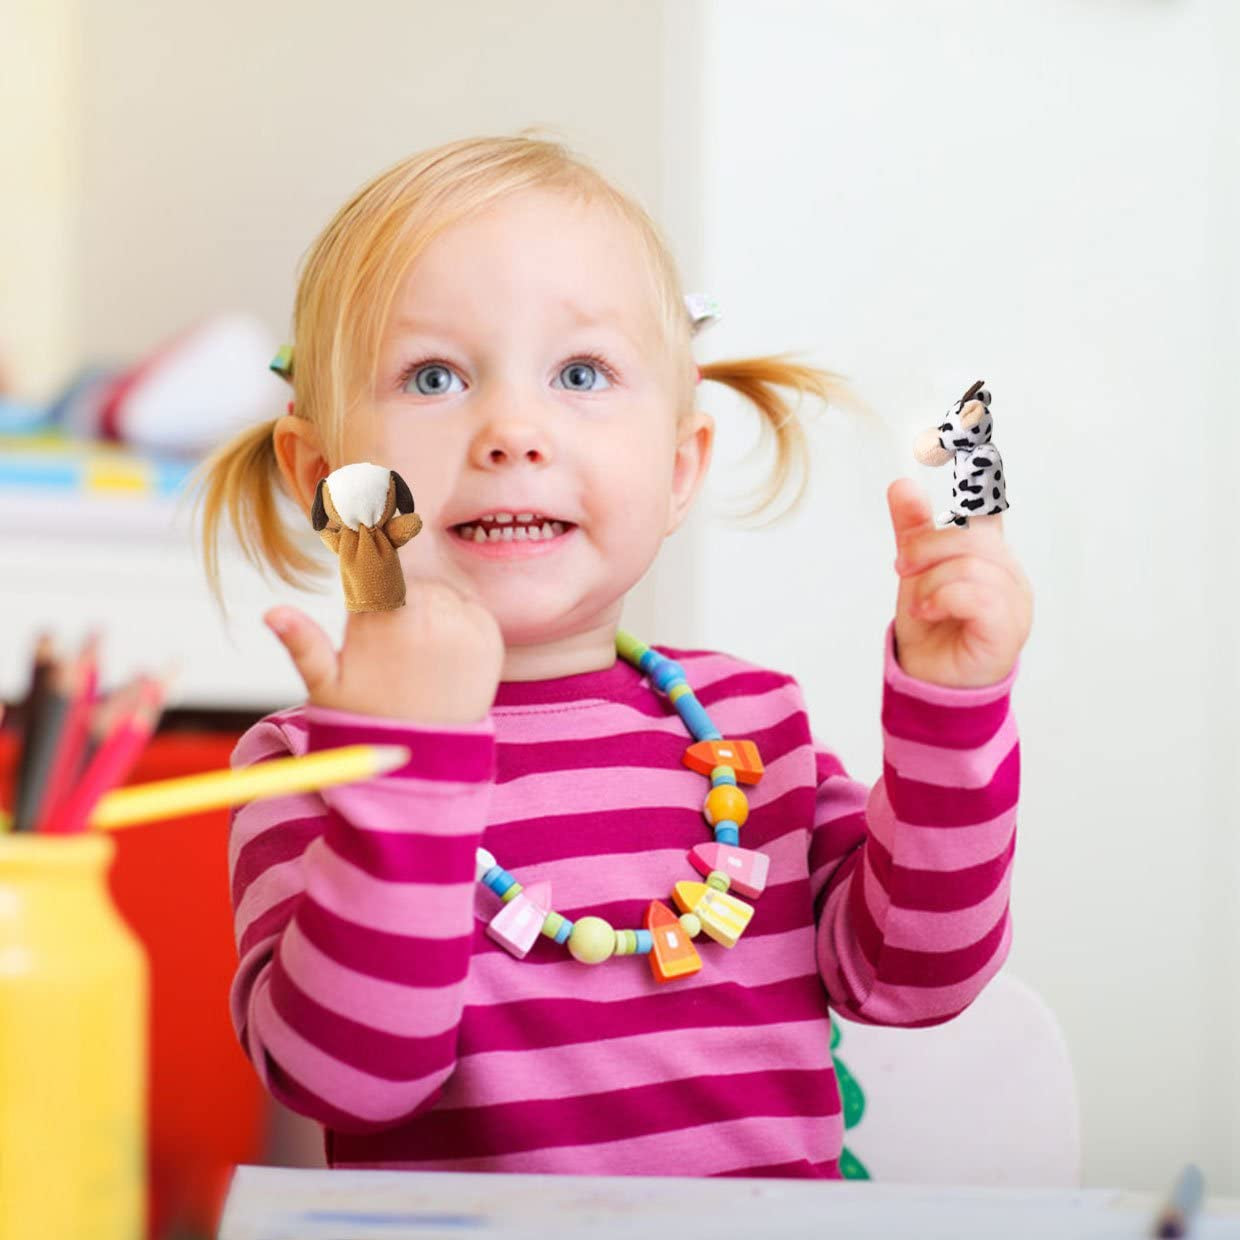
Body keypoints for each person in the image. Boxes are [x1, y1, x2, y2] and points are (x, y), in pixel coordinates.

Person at [197, 133, 1033, 1177]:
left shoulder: (752, 725)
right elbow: (347, 1081)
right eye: (433, 375)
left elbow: (919, 975)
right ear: (326, 475)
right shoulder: (313, 765)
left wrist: (952, 706)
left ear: (679, 470)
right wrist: (405, 774)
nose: (511, 429)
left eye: (580, 372)